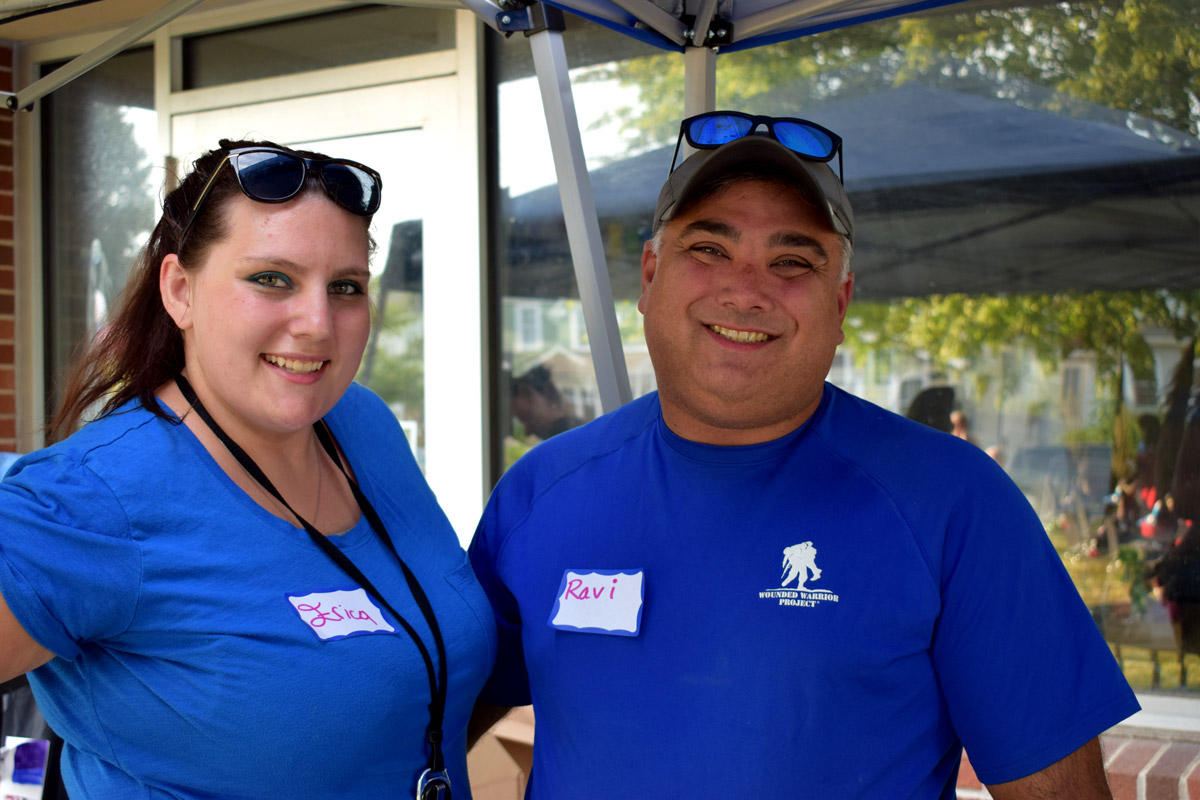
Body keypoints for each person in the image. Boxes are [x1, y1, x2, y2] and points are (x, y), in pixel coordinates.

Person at [467, 111, 1139, 797]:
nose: (746, 290)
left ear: (841, 299)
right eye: (708, 249)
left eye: (792, 261)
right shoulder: (538, 496)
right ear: (648, 275)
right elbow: (413, 729)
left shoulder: (953, 501)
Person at [0, 140, 495, 799]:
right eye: (272, 279)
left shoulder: (362, 423)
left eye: (345, 287)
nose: (318, 324)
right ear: (180, 290)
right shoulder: (92, 497)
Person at [510, 365, 582, 441]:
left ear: (528, 392)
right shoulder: (578, 433)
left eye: (526, 419)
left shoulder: (572, 438)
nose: (528, 432)